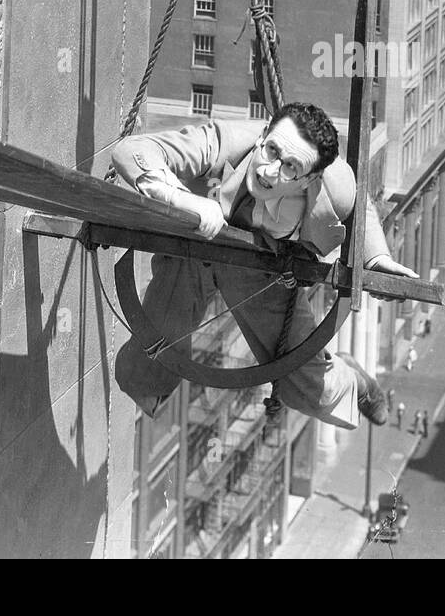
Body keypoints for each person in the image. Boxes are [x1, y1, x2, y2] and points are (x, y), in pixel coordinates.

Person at [111, 102, 417, 430]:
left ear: (310, 178)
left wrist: (378, 259)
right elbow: (132, 151)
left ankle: (354, 381)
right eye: (271, 150)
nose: (269, 171)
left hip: (265, 267)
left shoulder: (332, 187)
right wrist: (181, 199)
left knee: (312, 392)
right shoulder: (224, 142)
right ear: (264, 135)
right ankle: (148, 386)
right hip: (194, 250)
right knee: (143, 373)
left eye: (290, 167)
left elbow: (359, 204)